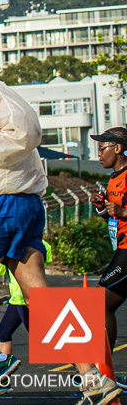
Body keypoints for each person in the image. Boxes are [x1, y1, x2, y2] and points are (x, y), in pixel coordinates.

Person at [0, 32, 115, 405]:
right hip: (19, 203)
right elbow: (0, 143)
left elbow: (28, 131)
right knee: (39, 296)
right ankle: (94, 379)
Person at [90, 127, 127, 379]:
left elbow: (123, 214)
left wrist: (122, 212)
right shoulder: (113, 179)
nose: (99, 155)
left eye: (102, 149)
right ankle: (105, 370)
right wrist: (103, 210)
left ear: (118, 148)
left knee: (100, 303)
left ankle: (104, 371)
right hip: (121, 249)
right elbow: (114, 220)